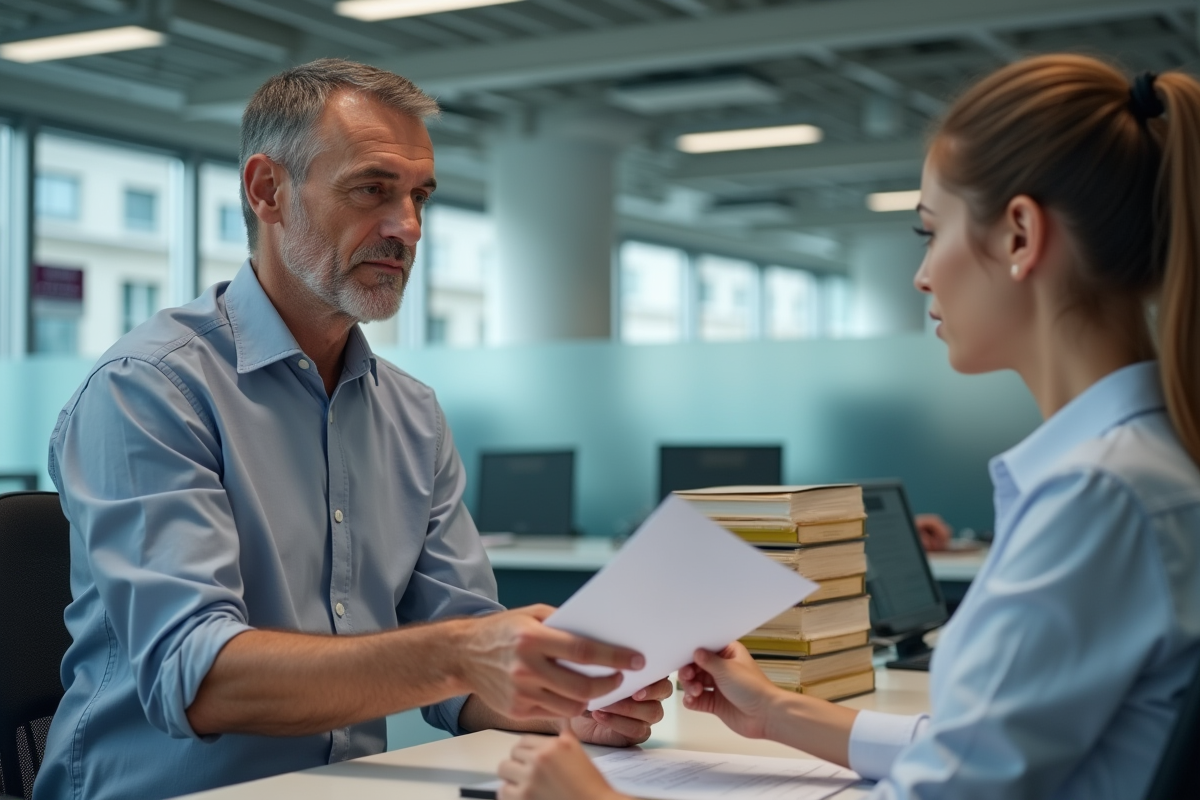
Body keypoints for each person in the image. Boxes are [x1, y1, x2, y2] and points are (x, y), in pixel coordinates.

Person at [495, 54, 1200, 800]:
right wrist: (777, 711)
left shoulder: (1097, 496)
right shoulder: (1141, 466)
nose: (922, 275)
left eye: (931, 231)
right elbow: (978, 749)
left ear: (1021, 236)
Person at [33, 59, 669, 800]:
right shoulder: (149, 389)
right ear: (267, 190)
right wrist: (468, 653)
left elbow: (457, 660)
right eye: (372, 189)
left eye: (419, 197)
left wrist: (556, 705)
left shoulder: (412, 414)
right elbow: (197, 677)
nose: (407, 228)